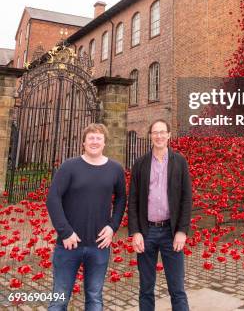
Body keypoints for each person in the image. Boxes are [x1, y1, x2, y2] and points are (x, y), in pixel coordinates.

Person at [46, 123, 126, 310]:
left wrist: (113, 227)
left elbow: (122, 198)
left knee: (94, 298)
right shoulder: (69, 167)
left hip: (99, 245)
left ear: (104, 143)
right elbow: (53, 199)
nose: (95, 141)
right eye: (91, 138)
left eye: (99, 138)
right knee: (59, 299)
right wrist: (65, 232)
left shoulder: (115, 169)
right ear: (83, 142)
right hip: (68, 245)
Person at [128, 119, 192, 311]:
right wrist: (135, 232)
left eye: (162, 132)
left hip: (170, 233)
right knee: (146, 288)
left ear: (169, 135)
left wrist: (182, 231)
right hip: (147, 232)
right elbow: (133, 200)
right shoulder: (140, 164)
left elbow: (186, 199)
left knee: (177, 289)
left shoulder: (180, 161)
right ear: (150, 136)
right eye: (155, 132)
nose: (159, 136)